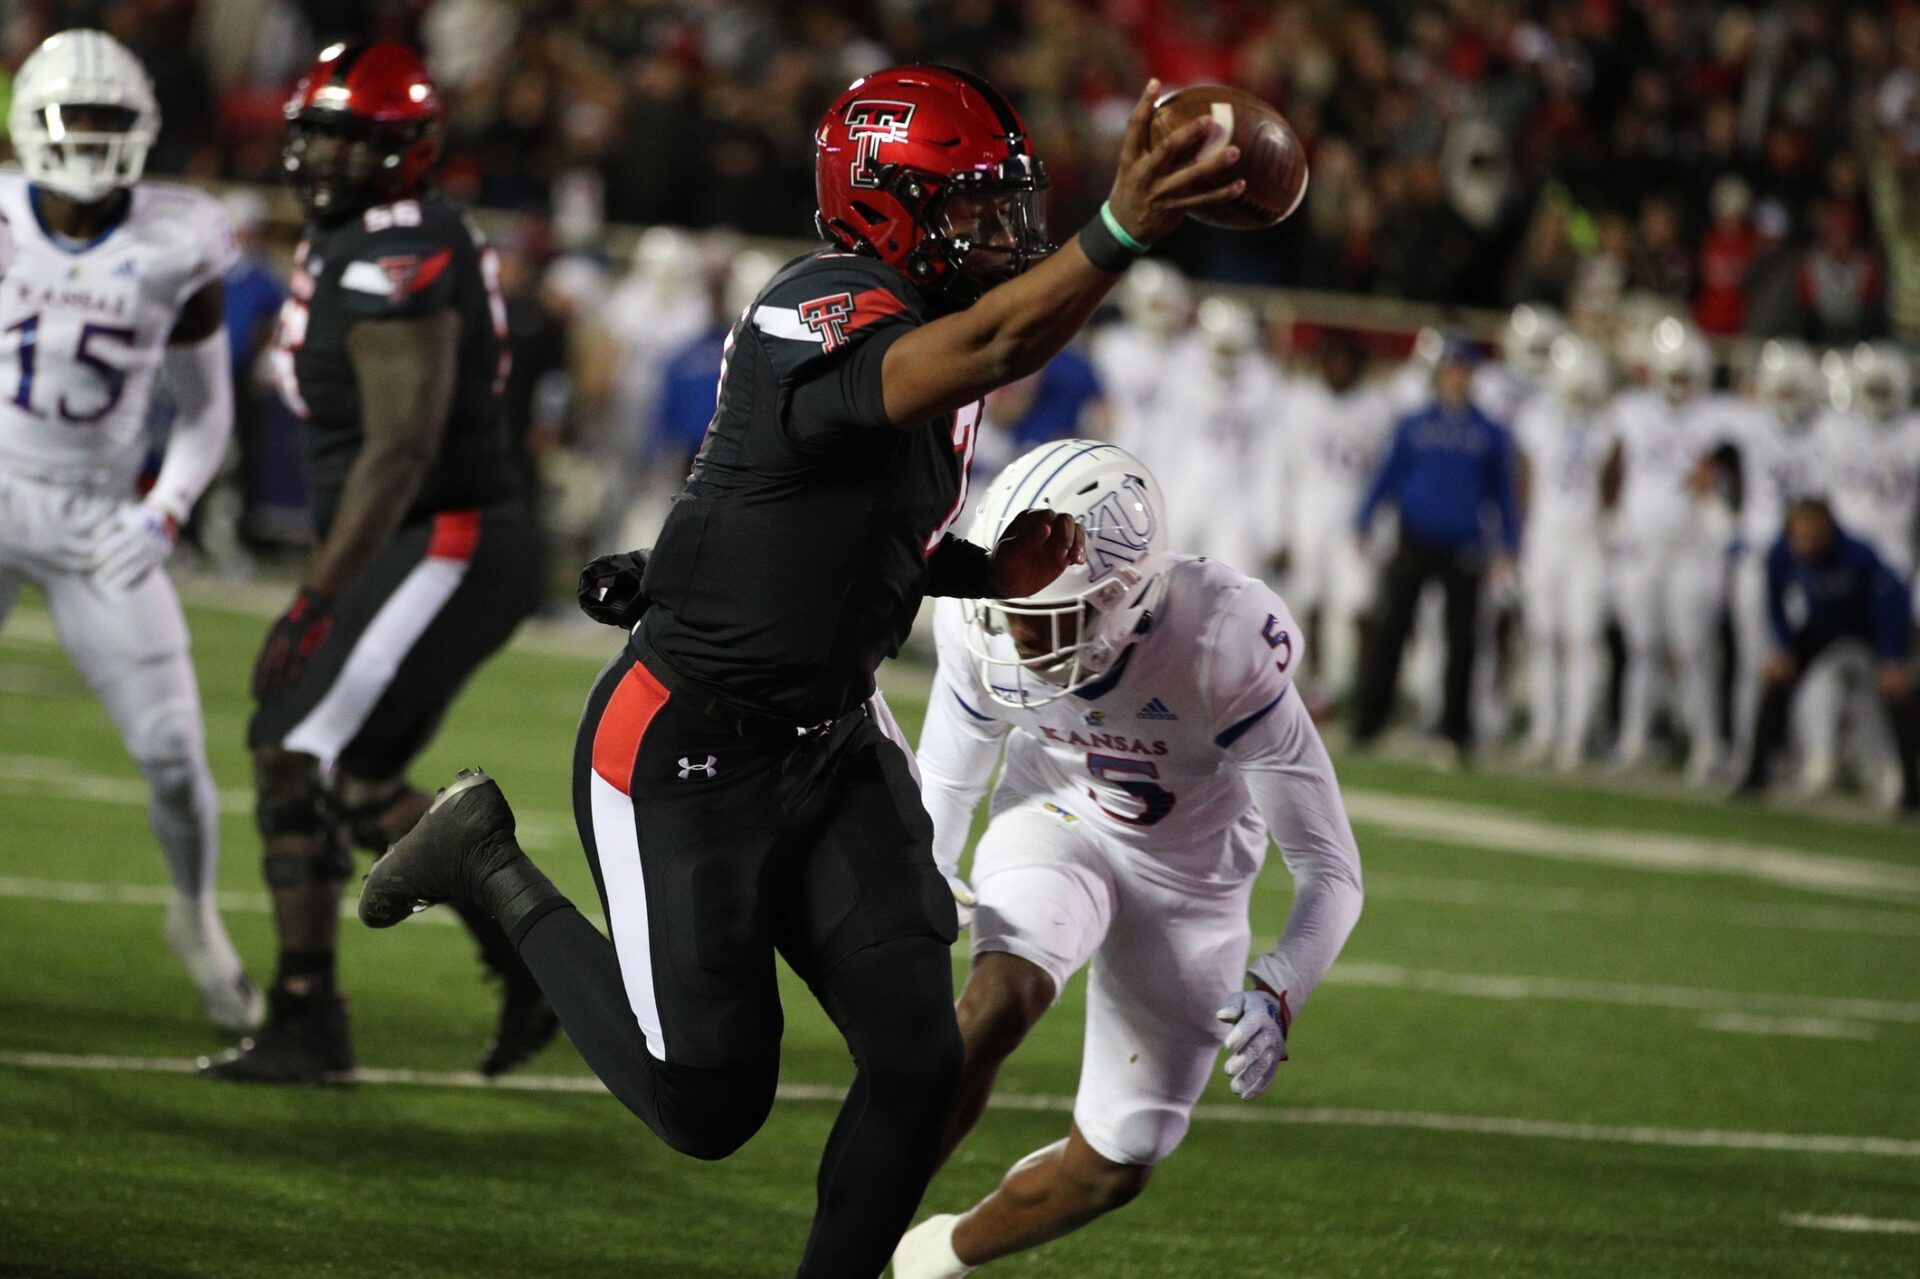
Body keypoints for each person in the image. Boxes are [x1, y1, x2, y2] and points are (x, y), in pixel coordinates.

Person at [356, 66, 1247, 1279]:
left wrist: (975, 569)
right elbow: (989, 341)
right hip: (686, 748)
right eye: (971, 209)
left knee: (921, 1056)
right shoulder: (817, 304)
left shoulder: (926, 339)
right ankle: (484, 857)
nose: (999, 232)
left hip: (828, 738)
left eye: (1006, 205)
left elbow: (851, 524)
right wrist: (1124, 225)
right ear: (881, 206)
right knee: (709, 1104)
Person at [890, 442, 1362, 1278]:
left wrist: (1282, 984)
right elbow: (950, 785)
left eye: (1046, 618)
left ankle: (936, 1254)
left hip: (1191, 879)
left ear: (1123, 598)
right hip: (1057, 816)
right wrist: (925, 875)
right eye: (1010, 606)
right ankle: (855, 1238)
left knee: (1120, 1160)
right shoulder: (979, 611)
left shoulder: (1220, 641)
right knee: (999, 1000)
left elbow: (1330, 866)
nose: (1019, 635)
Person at [201, 44, 545, 1084]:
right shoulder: (356, 241)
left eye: (365, 140)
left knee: (286, 744)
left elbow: (399, 448)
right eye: (326, 134)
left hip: (449, 533)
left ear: (413, 151)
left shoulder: (394, 247)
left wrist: (316, 597)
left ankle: (308, 1014)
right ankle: (542, 962)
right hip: (433, 535)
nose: (338, 158)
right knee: (357, 785)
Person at [0, 30, 260, 1032]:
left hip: (98, 513)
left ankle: (195, 916)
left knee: (171, 748)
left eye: (113, 120)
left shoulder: (179, 237)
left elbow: (205, 410)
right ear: (33, 123)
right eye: (79, 118)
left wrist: (164, 509)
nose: (96, 139)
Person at [1352, 341, 1520, 761]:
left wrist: (1509, 546)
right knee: (1391, 628)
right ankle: (1369, 723)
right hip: (1415, 536)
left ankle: (1455, 733)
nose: (1457, 377)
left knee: (1462, 639)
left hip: (1464, 542)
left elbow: (1503, 493)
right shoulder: (1414, 423)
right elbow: (1388, 473)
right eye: (1451, 368)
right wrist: (1366, 518)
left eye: (1464, 369)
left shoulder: (1489, 431)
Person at [1735, 496, 1920, 815]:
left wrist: (1891, 657)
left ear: (1827, 528)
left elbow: (1889, 603)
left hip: (1867, 627)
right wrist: (1783, 646)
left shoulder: (1858, 554)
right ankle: (1756, 774)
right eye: (1798, 533)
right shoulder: (1781, 553)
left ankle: (1911, 788)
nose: (1804, 542)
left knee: (1897, 693)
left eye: (1810, 533)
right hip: (1822, 627)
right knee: (1776, 680)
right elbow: (1775, 603)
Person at [1607, 317, 1724, 775]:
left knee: (1693, 648)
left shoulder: (1718, 415)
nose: (1678, 384)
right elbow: (1612, 469)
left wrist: (1717, 477)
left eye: (1684, 375)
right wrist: (1611, 522)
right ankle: (1635, 737)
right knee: (1641, 648)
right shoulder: (1633, 409)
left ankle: (1706, 742)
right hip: (1643, 547)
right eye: (1671, 374)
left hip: (1692, 550)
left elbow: (1734, 472)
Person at [1514, 336, 1619, 771]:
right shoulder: (1535, 419)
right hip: (1545, 538)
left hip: (1587, 540)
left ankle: (1574, 735)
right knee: (1543, 636)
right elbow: (1525, 483)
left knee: (1583, 638)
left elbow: (1614, 485)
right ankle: (1544, 728)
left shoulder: (1609, 425)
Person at [1279, 329, 1394, 707]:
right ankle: (1313, 690)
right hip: (1309, 509)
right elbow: (1284, 468)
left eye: (1348, 362)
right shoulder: (1299, 402)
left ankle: (1363, 689)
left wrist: (1380, 528)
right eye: (1334, 360)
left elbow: (1383, 473)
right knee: (1308, 601)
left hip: (1355, 514)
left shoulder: (1377, 408)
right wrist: (1281, 527)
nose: (1340, 369)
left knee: (1359, 605)